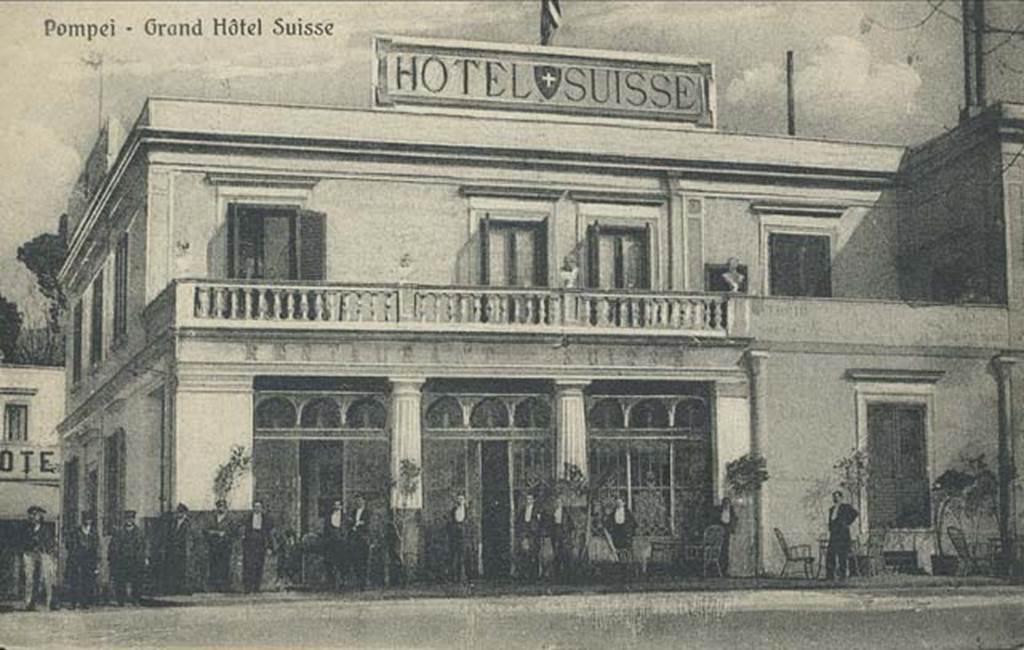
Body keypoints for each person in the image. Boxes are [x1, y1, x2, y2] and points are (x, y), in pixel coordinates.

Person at [20, 505, 55, 611]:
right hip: (30, 554)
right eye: (31, 514)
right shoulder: (26, 529)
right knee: (29, 578)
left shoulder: (46, 529)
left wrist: (45, 550)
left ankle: (49, 602)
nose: (33, 517)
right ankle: (29, 602)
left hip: (43, 554)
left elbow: (50, 543)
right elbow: (22, 542)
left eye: (36, 514)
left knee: (46, 578)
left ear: (40, 516)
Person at [110, 510, 147, 605]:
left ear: (133, 520)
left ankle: (135, 599)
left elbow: (143, 546)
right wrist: (114, 558)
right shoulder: (119, 532)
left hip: (135, 560)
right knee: (120, 580)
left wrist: (145, 558)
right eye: (127, 519)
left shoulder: (139, 532)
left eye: (131, 518)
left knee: (136, 581)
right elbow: (113, 546)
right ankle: (121, 600)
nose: (129, 521)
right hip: (122, 560)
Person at [66, 511, 100, 609]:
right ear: (82, 520)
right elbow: (69, 544)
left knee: (87, 581)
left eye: (89, 519)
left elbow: (96, 547)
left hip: (89, 560)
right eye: (86, 519)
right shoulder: (75, 531)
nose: (87, 521)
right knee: (74, 581)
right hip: (76, 559)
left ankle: (84, 602)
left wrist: (96, 562)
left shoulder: (94, 533)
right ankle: (73, 603)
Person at [826, 490, 859, 581]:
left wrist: (847, 523)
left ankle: (842, 575)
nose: (835, 499)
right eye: (834, 497)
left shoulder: (845, 507)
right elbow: (831, 520)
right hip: (833, 535)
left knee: (842, 555)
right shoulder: (831, 509)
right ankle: (830, 576)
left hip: (842, 535)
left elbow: (855, 513)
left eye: (837, 497)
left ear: (841, 498)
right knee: (830, 554)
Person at [242, 500, 273, 593]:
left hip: (260, 543)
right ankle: (248, 587)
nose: (257, 509)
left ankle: (256, 587)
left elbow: (268, 533)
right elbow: (245, 531)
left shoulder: (265, 519)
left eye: (259, 507)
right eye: (255, 507)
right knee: (248, 565)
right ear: (253, 508)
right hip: (250, 543)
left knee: (259, 565)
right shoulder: (248, 518)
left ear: (261, 508)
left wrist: (270, 547)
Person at [162, 503, 193, 594]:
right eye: (178, 512)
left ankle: (182, 589)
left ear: (185, 513)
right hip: (173, 551)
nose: (179, 514)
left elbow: (188, 538)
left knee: (182, 570)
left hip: (182, 551)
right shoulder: (173, 523)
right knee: (173, 570)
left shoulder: (188, 524)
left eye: (181, 512)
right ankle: (174, 588)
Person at [204, 499, 234, 591]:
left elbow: (233, 532)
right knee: (213, 565)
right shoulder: (212, 518)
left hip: (225, 546)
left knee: (224, 566)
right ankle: (214, 586)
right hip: (213, 546)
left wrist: (225, 534)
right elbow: (205, 530)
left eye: (223, 507)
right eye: (219, 507)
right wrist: (212, 532)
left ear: (226, 508)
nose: (221, 509)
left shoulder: (230, 519)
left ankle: (224, 586)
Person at [545, 493, 575, 581]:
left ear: (562, 503)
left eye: (559, 502)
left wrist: (568, 535)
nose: (558, 503)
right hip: (555, 536)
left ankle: (568, 575)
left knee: (566, 555)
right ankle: (557, 576)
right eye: (556, 502)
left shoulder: (566, 513)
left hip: (564, 536)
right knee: (556, 555)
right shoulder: (553, 512)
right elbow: (550, 524)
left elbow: (571, 525)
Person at [515, 493, 543, 581]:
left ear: (533, 500)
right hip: (525, 534)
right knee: (524, 554)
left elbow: (539, 523)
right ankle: (525, 574)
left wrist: (536, 531)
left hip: (534, 535)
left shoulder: (537, 510)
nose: (528, 501)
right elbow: (519, 521)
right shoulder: (523, 510)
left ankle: (534, 575)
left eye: (530, 499)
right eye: (527, 499)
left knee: (534, 555)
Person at [347, 495, 371, 588]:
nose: (358, 502)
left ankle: (364, 582)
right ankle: (357, 581)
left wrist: (359, 524)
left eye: (360, 500)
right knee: (355, 560)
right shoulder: (353, 512)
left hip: (363, 539)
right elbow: (350, 523)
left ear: (364, 502)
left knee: (364, 561)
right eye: (357, 501)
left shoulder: (368, 513)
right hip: (354, 539)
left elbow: (368, 524)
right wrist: (353, 525)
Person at [322, 499, 346, 590]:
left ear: (341, 507)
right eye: (335, 506)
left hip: (341, 543)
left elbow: (346, 529)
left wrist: (342, 536)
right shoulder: (329, 517)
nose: (336, 507)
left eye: (338, 505)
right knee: (329, 562)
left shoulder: (345, 517)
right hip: (331, 543)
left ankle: (342, 581)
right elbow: (325, 530)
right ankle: (331, 582)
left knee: (342, 562)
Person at [446, 493, 470, 583]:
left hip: (464, 537)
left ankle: (464, 577)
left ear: (464, 500)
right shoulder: (453, 511)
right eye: (458, 499)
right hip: (454, 537)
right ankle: (453, 577)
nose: (460, 501)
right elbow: (450, 522)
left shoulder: (467, 511)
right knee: (453, 557)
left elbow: (468, 523)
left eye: (462, 499)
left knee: (463, 557)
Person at [713, 497, 738, 576]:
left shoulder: (732, 512)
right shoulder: (719, 511)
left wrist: (732, 529)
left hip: (727, 532)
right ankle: (718, 570)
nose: (726, 505)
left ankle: (726, 570)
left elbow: (734, 520)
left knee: (726, 550)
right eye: (725, 503)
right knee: (719, 550)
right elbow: (717, 520)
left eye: (728, 503)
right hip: (720, 532)